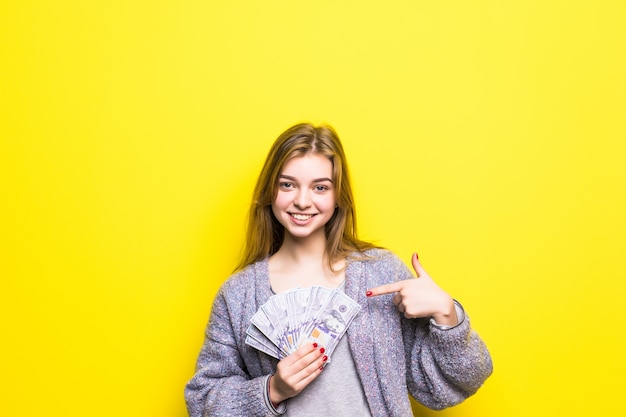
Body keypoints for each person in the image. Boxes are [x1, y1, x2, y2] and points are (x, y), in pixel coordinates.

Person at [185, 123, 493, 417]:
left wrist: (447, 315)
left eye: (320, 187)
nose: (302, 201)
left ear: (337, 197)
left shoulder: (380, 273)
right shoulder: (237, 295)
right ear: (270, 192)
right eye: (288, 184)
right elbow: (202, 402)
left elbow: (451, 384)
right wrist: (272, 389)